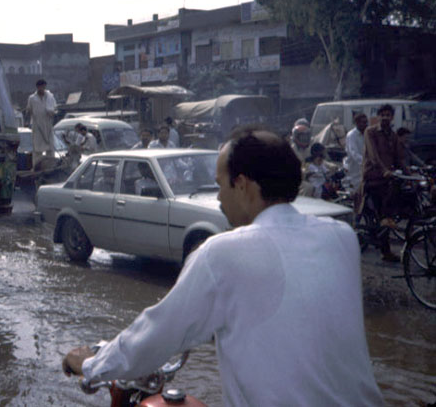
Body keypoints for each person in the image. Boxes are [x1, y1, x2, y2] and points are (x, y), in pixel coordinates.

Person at [63, 126, 383, 406]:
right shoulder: (342, 239)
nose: (218, 198)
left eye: (220, 185)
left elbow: (155, 335)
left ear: (242, 185)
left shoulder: (222, 253)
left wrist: (92, 364)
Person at [360, 103, 407, 262]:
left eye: (388, 115)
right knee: (384, 214)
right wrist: (384, 170)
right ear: (378, 116)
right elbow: (373, 156)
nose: (386, 117)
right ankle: (385, 251)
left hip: (387, 176)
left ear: (392, 117)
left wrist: (410, 171)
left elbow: (399, 157)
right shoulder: (370, 132)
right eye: (383, 115)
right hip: (373, 176)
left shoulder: (392, 135)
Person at [25, 79, 56, 169]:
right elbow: (29, 110)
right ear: (37, 87)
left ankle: (51, 167)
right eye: (40, 87)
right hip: (37, 126)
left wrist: (52, 112)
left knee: (50, 149)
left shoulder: (50, 96)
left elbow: (55, 108)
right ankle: (36, 168)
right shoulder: (32, 98)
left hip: (48, 126)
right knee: (37, 150)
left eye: (44, 86)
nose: (42, 88)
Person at [344, 112, 368, 191]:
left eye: (366, 122)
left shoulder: (367, 134)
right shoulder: (351, 135)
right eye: (363, 122)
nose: (365, 124)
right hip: (354, 168)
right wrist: (365, 162)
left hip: (365, 168)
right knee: (356, 191)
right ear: (357, 123)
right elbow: (354, 153)